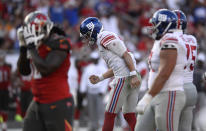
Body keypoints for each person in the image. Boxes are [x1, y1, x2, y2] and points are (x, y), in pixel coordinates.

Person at [80, 17, 141, 131]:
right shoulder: (102, 40)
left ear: (93, 31)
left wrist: (133, 75)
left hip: (124, 78)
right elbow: (119, 65)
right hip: (128, 75)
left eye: (87, 35)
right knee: (128, 114)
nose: (86, 39)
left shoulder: (103, 37)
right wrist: (100, 78)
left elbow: (126, 55)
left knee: (109, 113)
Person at [17, 11, 74, 131]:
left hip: (58, 102)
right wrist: (23, 47)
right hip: (37, 101)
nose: (35, 34)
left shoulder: (59, 42)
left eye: (38, 30)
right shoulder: (35, 46)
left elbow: (46, 69)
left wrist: (31, 47)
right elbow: (24, 71)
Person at [135, 9, 187, 131]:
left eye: (154, 24)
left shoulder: (170, 39)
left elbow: (165, 72)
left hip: (169, 94)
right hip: (155, 93)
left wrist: (148, 96)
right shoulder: (161, 40)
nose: (152, 27)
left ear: (164, 24)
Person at [172, 10, 198, 131]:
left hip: (176, 88)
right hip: (191, 87)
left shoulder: (169, 39)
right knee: (185, 128)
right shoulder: (192, 39)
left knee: (166, 125)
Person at [80, 51, 109, 131]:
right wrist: (83, 89)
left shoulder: (103, 68)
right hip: (90, 91)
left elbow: (106, 80)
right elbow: (84, 79)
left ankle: (101, 126)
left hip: (99, 91)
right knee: (91, 109)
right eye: (93, 59)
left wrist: (102, 90)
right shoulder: (89, 67)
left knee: (100, 109)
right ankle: (93, 125)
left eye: (95, 59)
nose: (94, 60)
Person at [0, 50, 11, 131]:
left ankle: (4, 123)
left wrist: (11, 88)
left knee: (4, 107)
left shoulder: (7, 67)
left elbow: (10, 78)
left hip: (5, 90)